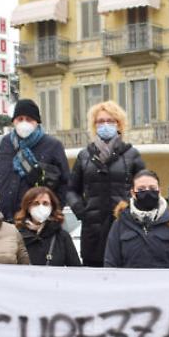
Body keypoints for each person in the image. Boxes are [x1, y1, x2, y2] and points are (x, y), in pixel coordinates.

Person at [66, 101, 146, 267]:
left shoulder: (132, 155)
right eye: (100, 121)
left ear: (119, 124)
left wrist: (132, 212)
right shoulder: (84, 156)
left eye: (111, 121)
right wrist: (82, 211)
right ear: (94, 126)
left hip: (124, 229)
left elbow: (143, 187)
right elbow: (71, 190)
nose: (105, 125)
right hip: (93, 233)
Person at [0, 98, 70, 221]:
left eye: (29, 119)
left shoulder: (53, 146)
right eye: (20, 119)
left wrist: (54, 213)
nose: (24, 123)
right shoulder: (1, 144)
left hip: (36, 222)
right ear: (14, 121)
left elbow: (65, 183)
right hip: (3, 222)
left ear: (37, 122)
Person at [104, 169, 169, 269]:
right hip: (128, 283)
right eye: (141, 189)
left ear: (159, 191)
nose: (147, 192)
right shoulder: (120, 223)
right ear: (132, 193)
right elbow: (111, 264)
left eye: (152, 188)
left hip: (165, 283)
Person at [15, 186, 82, 267]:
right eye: (36, 203)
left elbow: (75, 269)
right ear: (28, 207)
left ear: (52, 207)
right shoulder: (16, 235)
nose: (41, 207)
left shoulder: (62, 237)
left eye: (45, 203)